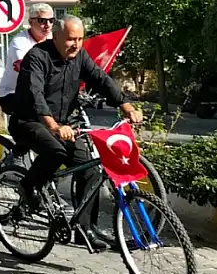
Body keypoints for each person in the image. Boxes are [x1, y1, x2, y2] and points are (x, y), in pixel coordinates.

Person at [11, 14, 142, 250]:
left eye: (81, 39)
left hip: (63, 125)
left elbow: (100, 79)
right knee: (56, 152)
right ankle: (28, 185)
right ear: (57, 36)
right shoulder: (37, 57)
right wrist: (53, 126)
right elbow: (35, 95)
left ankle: (83, 229)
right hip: (29, 121)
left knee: (90, 169)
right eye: (71, 39)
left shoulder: (79, 56)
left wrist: (125, 105)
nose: (77, 44)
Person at [0, 3, 55, 116]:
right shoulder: (20, 42)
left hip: (40, 92)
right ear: (31, 22)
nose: (47, 25)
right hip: (12, 94)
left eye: (51, 20)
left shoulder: (53, 39)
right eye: (42, 21)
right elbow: (28, 69)